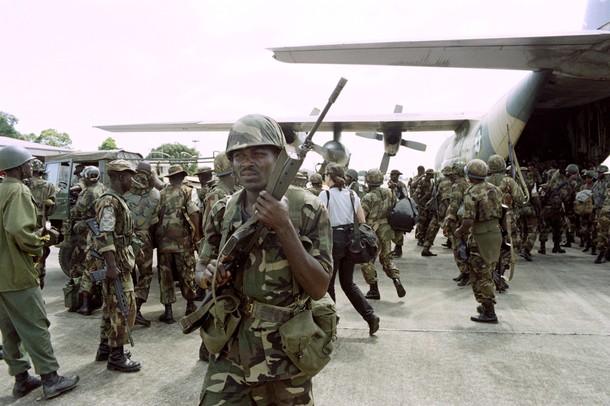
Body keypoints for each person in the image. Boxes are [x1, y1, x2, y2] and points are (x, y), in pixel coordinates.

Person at [195, 114, 333, 404]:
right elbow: (201, 268)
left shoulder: (308, 209)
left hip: (286, 351)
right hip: (232, 345)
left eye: (258, 154)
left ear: (279, 158)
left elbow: (319, 287)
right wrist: (209, 276)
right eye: (239, 156)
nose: (247, 163)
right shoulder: (223, 210)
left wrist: (284, 226)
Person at [0, 145, 79, 399]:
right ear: (18, 166)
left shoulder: (1, 189)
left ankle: (21, 379)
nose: (31, 167)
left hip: (2, 275)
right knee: (36, 325)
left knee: (10, 329)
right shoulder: (18, 190)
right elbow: (18, 230)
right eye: (28, 163)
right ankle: (51, 379)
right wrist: (41, 242)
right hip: (18, 272)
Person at [88, 159, 141, 372]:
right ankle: (116, 356)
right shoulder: (109, 201)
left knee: (111, 305)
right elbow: (105, 235)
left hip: (119, 259)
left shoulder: (116, 199)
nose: (133, 180)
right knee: (124, 306)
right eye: (130, 176)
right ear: (120, 177)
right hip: (115, 262)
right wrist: (111, 266)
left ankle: (105, 348)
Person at [319, 163, 380, 335]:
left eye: (325, 175)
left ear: (329, 176)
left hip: (333, 241)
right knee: (348, 283)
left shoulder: (325, 195)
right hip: (351, 242)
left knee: (329, 284)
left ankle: (331, 322)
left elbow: (319, 220)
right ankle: (370, 316)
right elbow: (362, 220)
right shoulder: (353, 195)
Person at [454, 159, 503, 324]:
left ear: (470, 175)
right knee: (487, 270)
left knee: (481, 274)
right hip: (495, 234)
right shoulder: (495, 189)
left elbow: (468, 220)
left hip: (480, 236)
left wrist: (459, 232)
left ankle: (489, 311)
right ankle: (485, 305)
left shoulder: (472, 192)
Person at [156, 164, 202, 323]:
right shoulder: (188, 191)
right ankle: (190, 305)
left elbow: (155, 218)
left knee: (165, 276)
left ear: (170, 178)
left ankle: (168, 312)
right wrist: (197, 235)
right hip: (183, 241)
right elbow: (194, 213)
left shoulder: (161, 194)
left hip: (164, 242)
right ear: (182, 177)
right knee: (186, 272)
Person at [123, 162, 161, 327]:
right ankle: (137, 308)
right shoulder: (155, 194)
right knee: (145, 274)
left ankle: (126, 309)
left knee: (126, 273)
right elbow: (154, 220)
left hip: (125, 237)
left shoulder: (124, 190)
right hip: (143, 237)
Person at [360, 168, 405, 300]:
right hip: (386, 230)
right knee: (387, 258)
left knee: (367, 261)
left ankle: (374, 289)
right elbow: (394, 208)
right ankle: (396, 279)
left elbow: (362, 216)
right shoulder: (389, 193)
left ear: (368, 181)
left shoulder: (368, 197)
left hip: (371, 233)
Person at [71, 165, 105, 315]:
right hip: (99, 228)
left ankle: (85, 304)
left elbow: (79, 209)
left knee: (84, 264)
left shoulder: (89, 192)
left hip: (89, 229)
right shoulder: (102, 188)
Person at [26, 158, 59, 286]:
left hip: (24, 220)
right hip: (40, 223)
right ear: (41, 171)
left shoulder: (23, 184)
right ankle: (39, 280)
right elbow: (52, 210)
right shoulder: (48, 186)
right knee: (41, 251)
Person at [443, 161, 471, 285]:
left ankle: (466, 273)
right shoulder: (468, 183)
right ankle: (465, 272)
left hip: (458, 222)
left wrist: (448, 222)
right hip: (466, 220)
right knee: (466, 247)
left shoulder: (457, 186)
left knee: (458, 248)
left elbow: (454, 205)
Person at [421, 166, 453, 257]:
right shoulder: (447, 182)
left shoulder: (439, 181)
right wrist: (449, 211)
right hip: (444, 209)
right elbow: (446, 198)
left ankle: (426, 248)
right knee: (452, 228)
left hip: (438, 209)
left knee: (432, 229)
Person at [387, 169, 408, 257]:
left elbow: (405, 196)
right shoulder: (389, 184)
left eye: (393, 175)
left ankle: (399, 248)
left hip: (399, 209)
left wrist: (397, 188)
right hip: (391, 209)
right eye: (391, 175)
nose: (391, 176)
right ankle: (396, 248)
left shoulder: (401, 185)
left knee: (399, 229)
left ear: (397, 176)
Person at [414, 168, 435, 247]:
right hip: (423, 206)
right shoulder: (422, 182)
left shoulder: (431, 182)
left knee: (428, 222)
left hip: (429, 206)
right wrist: (418, 203)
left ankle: (424, 238)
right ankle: (420, 239)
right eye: (431, 174)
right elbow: (416, 194)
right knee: (422, 223)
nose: (432, 176)